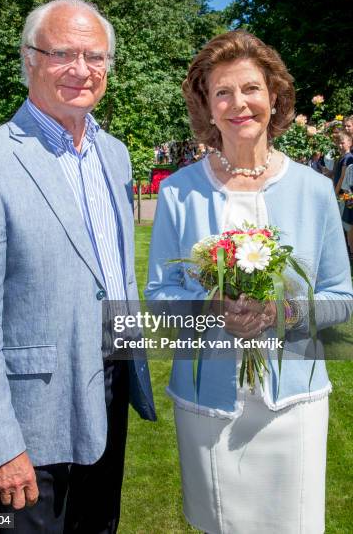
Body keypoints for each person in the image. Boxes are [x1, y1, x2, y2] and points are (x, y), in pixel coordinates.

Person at [0, 0, 155, 534]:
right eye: (63, 53)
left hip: (110, 381)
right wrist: (0, 444)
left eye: (96, 56)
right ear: (30, 58)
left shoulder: (116, 154)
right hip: (31, 414)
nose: (82, 70)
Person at [145, 30, 352, 533]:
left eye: (251, 88)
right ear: (207, 107)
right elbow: (159, 296)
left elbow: (342, 296)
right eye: (222, 92)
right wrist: (213, 311)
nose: (239, 103)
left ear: (274, 96)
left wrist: (287, 312)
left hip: (294, 406)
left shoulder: (314, 189)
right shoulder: (178, 192)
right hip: (207, 405)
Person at [333, 131, 353, 195]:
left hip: (342, 193)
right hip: (338, 190)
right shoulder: (342, 157)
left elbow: (342, 177)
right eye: (338, 143)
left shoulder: (348, 158)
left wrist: (335, 194)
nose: (340, 145)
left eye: (342, 143)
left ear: (349, 143)